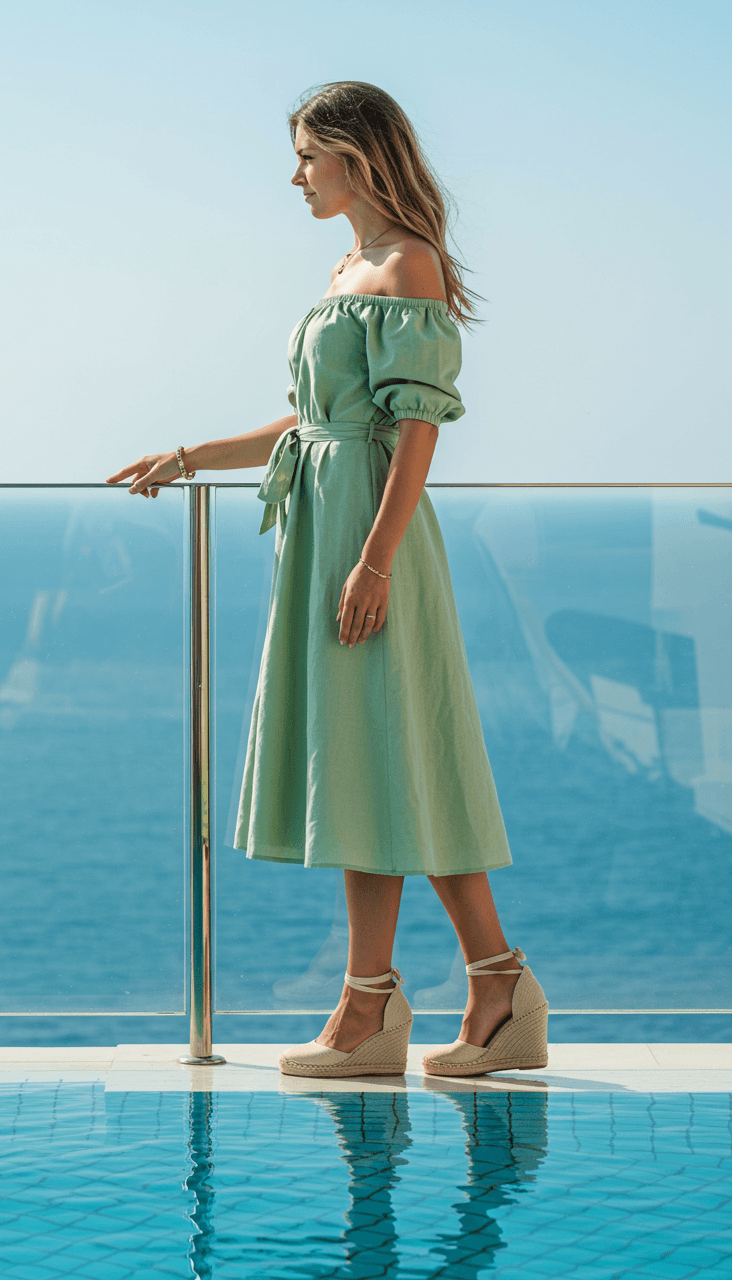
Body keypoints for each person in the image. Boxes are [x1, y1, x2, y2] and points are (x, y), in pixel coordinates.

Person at [107, 81, 548, 1079]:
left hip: (367, 542)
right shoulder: (349, 265)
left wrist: (374, 560)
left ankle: (405, 1002)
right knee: (368, 762)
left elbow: (413, 430)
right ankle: (454, 990)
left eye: (307, 154)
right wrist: (186, 454)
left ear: (356, 156)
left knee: (396, 758)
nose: (295, 174)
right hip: (328, 533)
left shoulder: (407, 266)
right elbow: (309, 420)